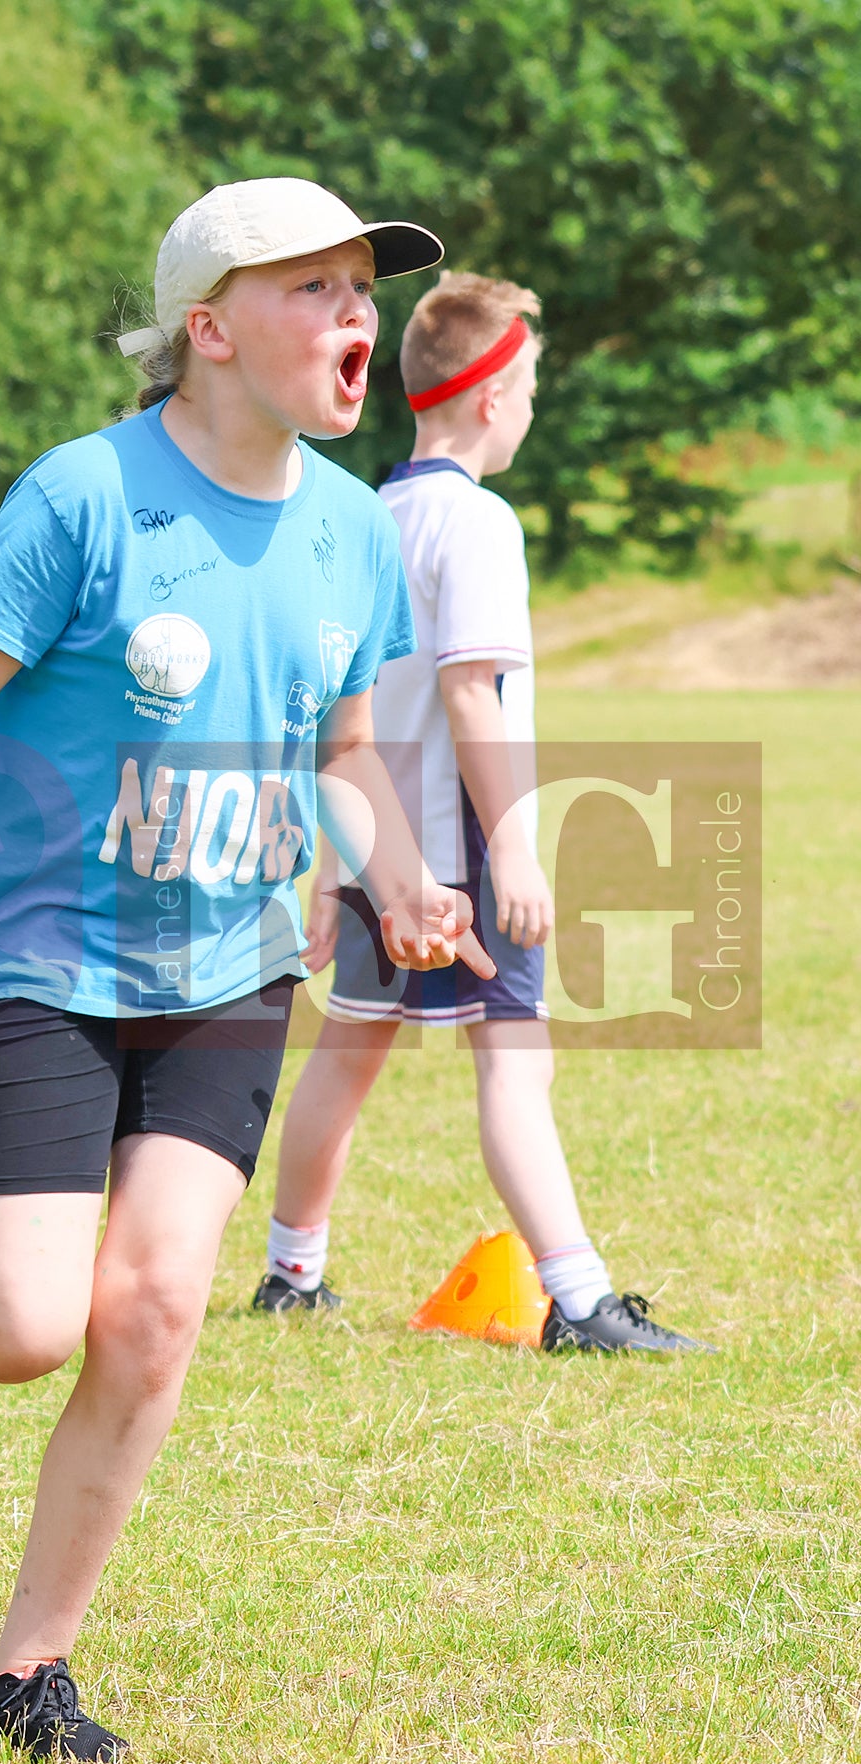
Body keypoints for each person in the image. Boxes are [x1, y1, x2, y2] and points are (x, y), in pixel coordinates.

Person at [0, 180, 500, 1764]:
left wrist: (406, 876)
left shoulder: (356, 529)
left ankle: (28, 1670)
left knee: (150, 1313)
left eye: (365, 290)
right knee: (23, 1329)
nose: (354, 316)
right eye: (315, 288)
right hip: (46, 970)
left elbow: (345, 749)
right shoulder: (83, 501)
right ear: (209, 330)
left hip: (230, 975)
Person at [252, 270, 713, 1355]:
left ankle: (290, 1273)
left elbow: (341, 716)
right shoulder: (479, 523)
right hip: (457, 851)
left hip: (379, 851)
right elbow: (471, 691)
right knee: (517, 1062)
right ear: (495, 397)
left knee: (346, 1058)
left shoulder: (365, 517)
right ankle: (582, 1301)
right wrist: (514, 844)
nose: (536, 407)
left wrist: (330, 869)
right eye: (535, 386)